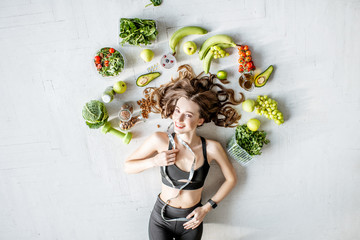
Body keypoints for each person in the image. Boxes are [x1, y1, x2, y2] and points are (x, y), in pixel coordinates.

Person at [124, 65, 244, 240]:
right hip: (161, 218)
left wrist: (206, 208)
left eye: (188, 115)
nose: (178, 119)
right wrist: (154, 161)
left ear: (200, 120)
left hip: (191, 221)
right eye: (177, 111)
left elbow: (232, 179)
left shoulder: (211, 148)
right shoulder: (160, 140)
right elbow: (128, 166)